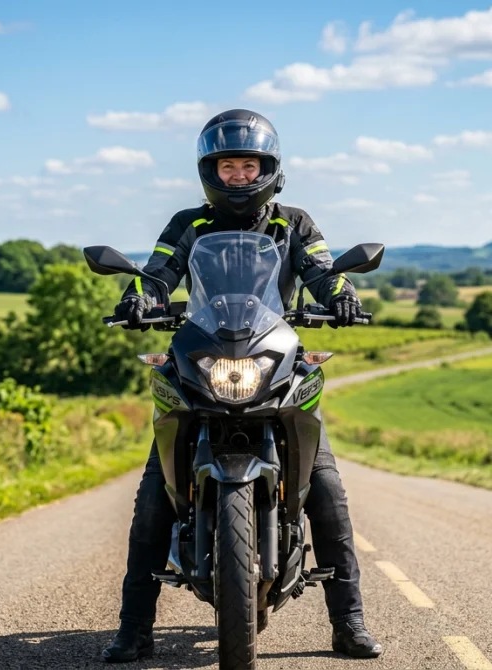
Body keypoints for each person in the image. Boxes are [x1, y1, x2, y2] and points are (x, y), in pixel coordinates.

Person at [101, 109, 382, 663]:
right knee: (155, 497)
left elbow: (324, 272)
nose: (238, 176)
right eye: (227, 166)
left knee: (325, 490)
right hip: (205, 354)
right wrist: (140, 297)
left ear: (269, 169)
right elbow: (159, 274)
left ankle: (349, 623)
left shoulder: (293, 223)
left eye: (247, 164)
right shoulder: (189, 225)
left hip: (270, 354)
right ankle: (134, 629)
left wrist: (341, 297)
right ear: (211, 171)